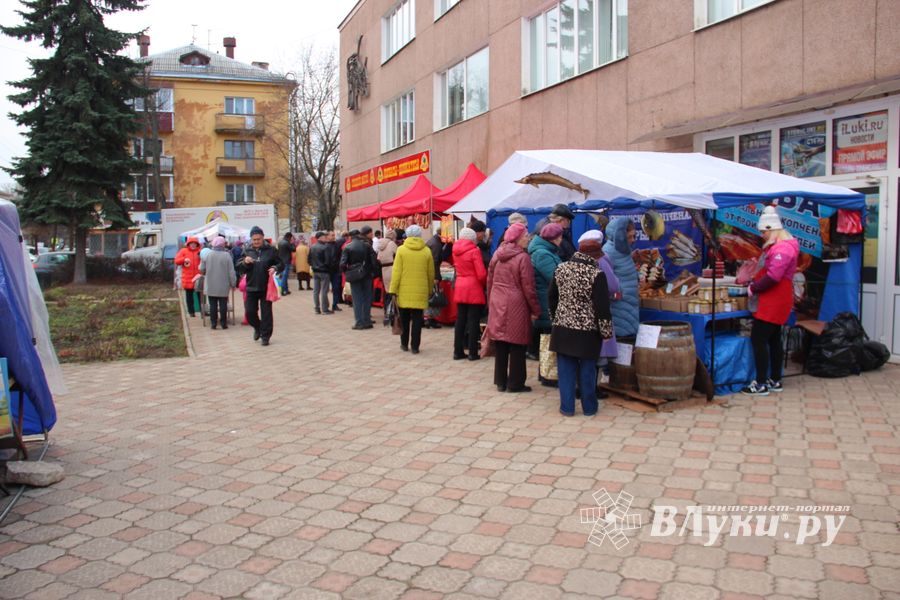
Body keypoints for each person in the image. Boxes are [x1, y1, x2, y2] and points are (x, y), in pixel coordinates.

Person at [549, 237, 614, 416]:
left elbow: (552, 297)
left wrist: (555, 318)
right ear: (595, 256)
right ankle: (589, 408)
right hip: (587, 331)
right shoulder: (596, 274)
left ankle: (567, 407)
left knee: (565, 371)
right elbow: (602, 306)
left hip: (562, 328)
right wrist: (606, 331)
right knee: (587, 370)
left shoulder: (560, 268)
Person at [742, 206, 799, 396]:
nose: (762, 235)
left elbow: (774, 276)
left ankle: (760, 383)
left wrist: (754, 288)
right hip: (778, 297)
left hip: (774, 298)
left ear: (772, 229)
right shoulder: (784, 246)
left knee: (758, 339)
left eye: (764, 232)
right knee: (774, 339)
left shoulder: (782, 248)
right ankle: (774, 379)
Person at [487, 223, 541, 393]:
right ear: (517, 238)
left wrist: (491, 301)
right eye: (525, 235)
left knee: (501, 342)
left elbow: (489, 280)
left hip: (498, 299)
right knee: (517, 343)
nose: (528, 238)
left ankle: (500, 381)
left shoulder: (497, 253)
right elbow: (528, 287)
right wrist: (535, 309)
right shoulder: (522, 257)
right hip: (516, 302)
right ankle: (515, 383)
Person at [390, 224, 435, 354]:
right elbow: (430, 273)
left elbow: (396, 272)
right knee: (417, 319)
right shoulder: (426, 251)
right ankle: (415, 346)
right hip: (421, 290)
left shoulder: (401, 250)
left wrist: (393, 289)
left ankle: (404, 344)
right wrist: (430, 289)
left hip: (403, 290)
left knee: (403, 318)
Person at [236, 226, 283, 346]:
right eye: (254, 239)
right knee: (250, 312)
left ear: (263, 238)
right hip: (251, 286)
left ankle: (265, 336)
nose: (256, 241)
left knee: (266, 313)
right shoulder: (246, 250)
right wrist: (245, 262)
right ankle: (258, 327)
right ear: (251, 239)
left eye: (259, 239)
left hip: (266, 287)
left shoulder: (271, 250)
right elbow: (239, 267)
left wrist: (275, 268)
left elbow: (281, 263)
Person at [528, 223, 564, 369]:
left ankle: (547, 372)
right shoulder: (542, 253)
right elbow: (554, 277)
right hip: (546, 300)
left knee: (548, 339)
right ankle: (547, 374)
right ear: (554, 238)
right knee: (548, 339)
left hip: (547, 298)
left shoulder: (547, 251)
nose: (562, 239)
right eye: (560, 236)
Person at [452, 227, 487, 360]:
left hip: (460, 285)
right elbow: (481, 274)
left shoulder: (455, 250)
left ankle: (457, 351)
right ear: (473, 238)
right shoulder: (474, 251)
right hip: (473, 287)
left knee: (460, 320)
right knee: (473, 321)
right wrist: (485, 284)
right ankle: (473, 352)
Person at [602, 218, 639, 338]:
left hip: (629, 304)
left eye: (634, 236)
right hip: (618, 306)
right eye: (629, 237)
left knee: (628, 339)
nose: (632, 240)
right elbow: (605, 281)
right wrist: (619, 294)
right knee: (622, 340)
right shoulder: (608, 252)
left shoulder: (624, 251)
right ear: (620, 236)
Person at [340, 225, 380, 330]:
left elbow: (342, 264)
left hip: (354, 275)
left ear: (351, 237)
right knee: (367, 298)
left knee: (357, 299)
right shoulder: (367, 245)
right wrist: (372, 272)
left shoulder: (347, 247)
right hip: (367, 275)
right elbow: (374, 261)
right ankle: (367, 321)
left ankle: (359, 322)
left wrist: (347, 272)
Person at [200, 236, 236, 330]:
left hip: (211, 284)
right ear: (223, 244)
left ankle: (213, 323)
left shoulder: (207, 255)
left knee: (212, 305)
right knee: (223, 304)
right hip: (223, 284)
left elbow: (201, 268)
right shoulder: (227, 255)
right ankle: (224, 324)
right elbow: (231, 272)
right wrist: (233, 283)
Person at [174, 237, 202, 317]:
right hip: (187, 278)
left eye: (194, 244)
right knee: (189, 297)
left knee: (200, 296)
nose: (193, 245)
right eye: (191, 243)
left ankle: (202, 311)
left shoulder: (200, 251)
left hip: (198, 278)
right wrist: (183, 259)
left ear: (197, 244)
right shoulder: (183, 251)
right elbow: (176, 260)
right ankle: (191, 312)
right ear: (188, 244)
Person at [308, 231, 332, 314]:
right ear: (320, 237)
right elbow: (328, 261)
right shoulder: (325, 247)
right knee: (324, 291)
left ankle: (317, 308)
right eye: (324, 237)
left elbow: (309, 260)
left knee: (316, 291)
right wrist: (327, 268)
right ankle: (325, 309)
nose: (326, 238)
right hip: (324, 271)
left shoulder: (312, 247)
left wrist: (314, 266)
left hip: (315, 271)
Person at [377, 229, 398, 301]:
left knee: (386, 289)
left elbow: (378, 258)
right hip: (392, 268)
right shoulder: (392, 244)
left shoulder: (380, 244)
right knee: (393, 289)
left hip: (384, 269)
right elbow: (398, 255)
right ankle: (393, 308)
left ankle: (387, 308)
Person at [326, 231, 344, 312]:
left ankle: (335, 304)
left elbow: (340, 256)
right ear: (327, 236)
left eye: (334, 235)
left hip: (336, 270)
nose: (334, 237)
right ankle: (325, 305)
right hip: (326, 270)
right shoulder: (325, 246)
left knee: (336, 288)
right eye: (332, 235)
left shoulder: (337, 245)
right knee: (325, 289)